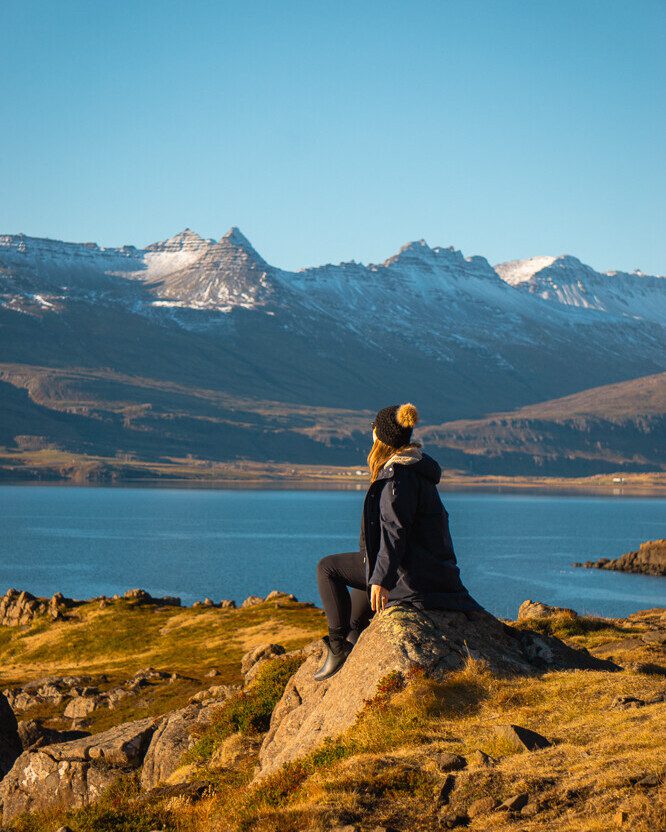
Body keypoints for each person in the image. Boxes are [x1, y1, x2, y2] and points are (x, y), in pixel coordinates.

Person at [314, 402, 484, 681]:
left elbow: (395, 531)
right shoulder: (414, 467)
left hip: (411, 576)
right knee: (356, 621)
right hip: (429, 570)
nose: (371, 431)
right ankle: (352, 656)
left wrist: (381, 580)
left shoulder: (397, 477)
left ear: (383, 437)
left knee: (326, 568)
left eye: (374, 427)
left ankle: (335, 648)